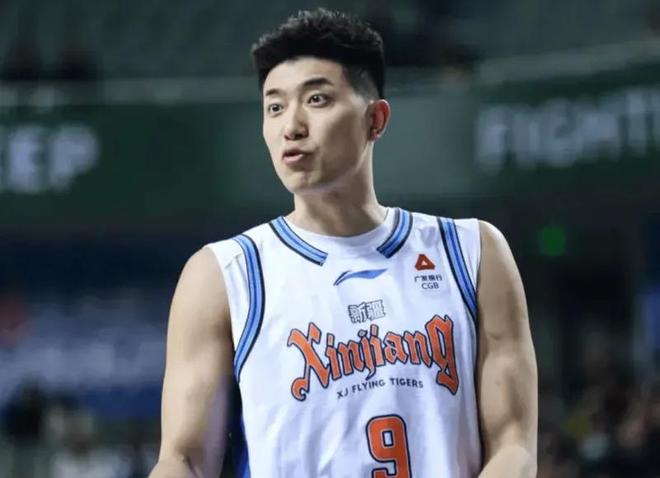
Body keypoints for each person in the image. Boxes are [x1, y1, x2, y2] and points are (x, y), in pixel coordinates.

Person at [149, 8, 537, 478]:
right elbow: (184, 460)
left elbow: (513, 445)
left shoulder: (471, 252)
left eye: (316, 99)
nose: (291, 125)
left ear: (376, 119)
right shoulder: (225, 274)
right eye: (274, 107)